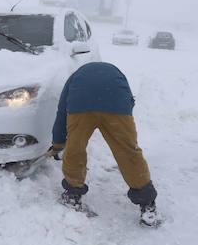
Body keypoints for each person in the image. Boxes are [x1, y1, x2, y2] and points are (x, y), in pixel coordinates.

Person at [47, 61, 161, 227]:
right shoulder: (115, 76)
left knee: (75, 148)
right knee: (128, 152)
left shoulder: (74, 80)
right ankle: (147, 203)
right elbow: (129, 103)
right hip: (116, 101)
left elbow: (61, 113)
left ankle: (72, 194)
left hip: (82, 102)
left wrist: (57, 144)